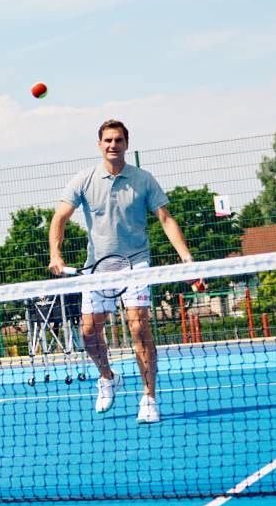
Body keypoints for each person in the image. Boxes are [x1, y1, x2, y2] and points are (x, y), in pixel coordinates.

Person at [47, 119, 194, 424]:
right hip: (97, 267)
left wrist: (186, 258)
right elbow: (60, 217)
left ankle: (149, 397)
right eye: (108, 140)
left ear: (127, 144)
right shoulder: (84, 180)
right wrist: (56, 254)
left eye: (119, 140)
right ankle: (107, 376)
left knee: (139, 327)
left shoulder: (143, 179)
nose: (113, 145)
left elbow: (165, 219)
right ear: (100, 144)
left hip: (136, 263)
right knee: (88, 333)